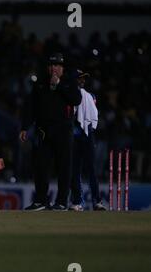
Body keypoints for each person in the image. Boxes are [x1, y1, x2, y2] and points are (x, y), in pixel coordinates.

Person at [20, 53, 82, 211]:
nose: (54, 68)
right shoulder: (40, 83)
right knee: (41, 167)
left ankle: (61, 201)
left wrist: (59, 84)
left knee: (64, 168)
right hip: (44, 132)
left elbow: (76, 100)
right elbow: (31, 107)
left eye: (57, 65)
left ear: (62, 68)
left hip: (63, 131)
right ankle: (41, 200)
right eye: (51, 65)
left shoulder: (69, 82)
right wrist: (25, 127)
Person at [70, 70, 107, 211]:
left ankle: (97, 201)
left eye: (84, 79)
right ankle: (77, 201)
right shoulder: (68, 95)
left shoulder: (90, 96)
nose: (82, 81)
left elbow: (91, 115)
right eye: (80, 78)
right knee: (75, 170)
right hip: (74, 136)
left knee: (91, 169)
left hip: (87, 135)